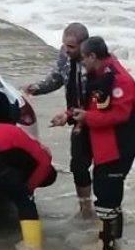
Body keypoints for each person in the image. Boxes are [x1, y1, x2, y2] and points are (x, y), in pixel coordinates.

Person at [54, 36, 135, 250]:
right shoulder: (100, 74)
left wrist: (86, 117)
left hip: (120, 145)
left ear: (92, 56)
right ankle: (109, 242)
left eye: (83, 59)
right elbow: (92, 105)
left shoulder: (119, 80)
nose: (81, 64)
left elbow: (120, 115)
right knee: (106, 193)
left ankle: (109, 247)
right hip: (105, 144)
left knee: (108, 196)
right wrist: (70, 115)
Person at [24, 22, 93, 219]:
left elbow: (94, 97)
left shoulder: (93, 62)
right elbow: (58, 78)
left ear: (84, 45)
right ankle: (86, 209)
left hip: (96, 118)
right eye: (64, 45)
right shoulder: (64, 55)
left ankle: (108, 208)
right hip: (77, 118)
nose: (66, 50)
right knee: (78, 165)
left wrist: (68, 115)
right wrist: (36, 88)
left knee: (104, 168)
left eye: (71, 47)